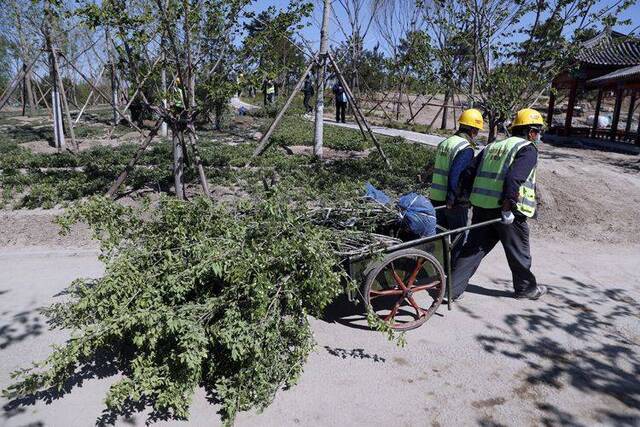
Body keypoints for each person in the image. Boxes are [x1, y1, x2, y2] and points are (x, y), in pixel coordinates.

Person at [450, 108, 548, 301]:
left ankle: (451, 290)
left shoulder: (492, 146)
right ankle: (526, 289)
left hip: (482, 208)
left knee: (473, 250)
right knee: (519, 252)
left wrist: (463, 198)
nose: (538, 136)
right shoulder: (527, 149)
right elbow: (514, 179)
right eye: (537, 131)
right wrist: (507, 208)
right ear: (530, 132)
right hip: (508, 212)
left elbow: (468, 172)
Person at [430, 108, 483, 264]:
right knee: (457, 237)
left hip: (435, 197)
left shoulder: (445, 142)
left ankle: (435, 268)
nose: (477, 133)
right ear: (473, 129)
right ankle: (452, 272)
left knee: (439, 237)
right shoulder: (465, 148)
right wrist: (452, 198)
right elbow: (456, 175)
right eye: (477, 130)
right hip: (452, 201)